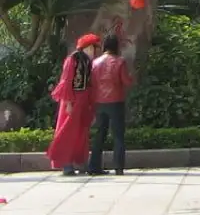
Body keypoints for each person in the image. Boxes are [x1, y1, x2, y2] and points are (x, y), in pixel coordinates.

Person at [47, 34, 101, 176]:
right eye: (92, 48)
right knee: (68, 132)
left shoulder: (88, 61)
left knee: (81, 132)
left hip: (83, 100)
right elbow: (66, 81)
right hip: (73, 99)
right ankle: (66, 164)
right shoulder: (73, 59)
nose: (93, 51)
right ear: (87, 47)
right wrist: (69, 103)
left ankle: (79, 161)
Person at [87, 33, 135, 176]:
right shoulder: (120, 62)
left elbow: (92, 83)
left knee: (99, 134)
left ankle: (94, 166)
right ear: (116, 46)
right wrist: (132, 77)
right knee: (118, 135)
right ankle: (118, 167)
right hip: (116, 101)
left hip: (99, 102)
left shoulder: (95, 63)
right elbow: (126, 81)